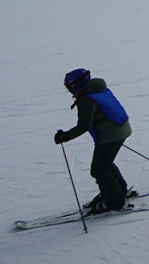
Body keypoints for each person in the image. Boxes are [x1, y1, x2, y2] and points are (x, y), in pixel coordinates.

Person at [53, 68, 133, 215]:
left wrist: (63, 137)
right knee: (105, 163)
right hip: (121, 127)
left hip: (111, 134)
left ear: (75, 84)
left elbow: (83, 126)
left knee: (99, 169)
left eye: (68, 87)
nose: (69, 90)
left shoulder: (86, 99)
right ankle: (118, 192)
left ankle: (115, 202)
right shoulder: (98, 88)